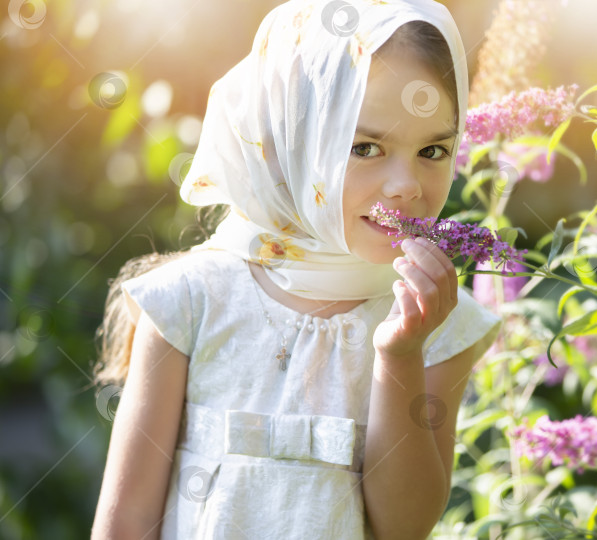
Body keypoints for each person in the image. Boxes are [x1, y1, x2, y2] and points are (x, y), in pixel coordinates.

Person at [91, 0, 501, 538]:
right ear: (293, 139)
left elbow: (405, 525)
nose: (406, 185)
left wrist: (399, 355)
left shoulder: (437, 320)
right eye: (365, 146)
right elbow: (125, 522)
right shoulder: (192, 300)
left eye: (432, 149)